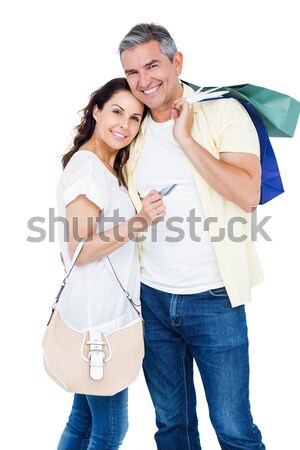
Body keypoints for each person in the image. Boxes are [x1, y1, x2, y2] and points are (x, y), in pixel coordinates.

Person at [118, 24, 266, 450]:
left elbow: (247, 194)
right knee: (172, 428)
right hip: (152, 300)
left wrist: (185, 140)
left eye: (152, 65)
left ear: (176, 62)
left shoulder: (223, 113)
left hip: (214, 299)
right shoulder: (133, 128)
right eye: (132, 72)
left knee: (234, 430)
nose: (143, 81)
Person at [55, 77, 165, 450]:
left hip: (100, 315)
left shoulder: (104, 168)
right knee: (110, 430)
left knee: (83, 420)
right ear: (97, 110)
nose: (125, 125)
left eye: (135, 118)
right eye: (117, 112)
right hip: (98, 324)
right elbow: (79, 250)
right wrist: (140, 221)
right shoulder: (88, 168)